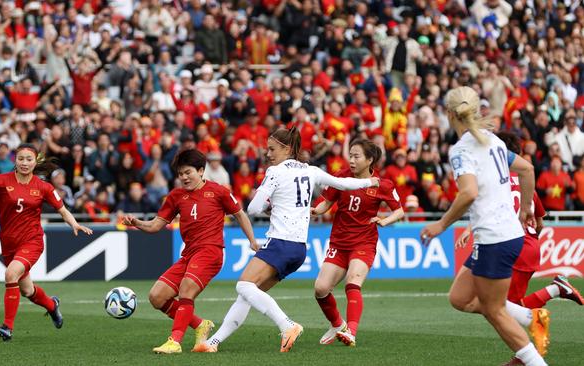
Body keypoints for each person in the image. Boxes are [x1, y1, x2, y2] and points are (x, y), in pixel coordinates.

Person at [194, 127, 379, 353]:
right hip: (298, 249)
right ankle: (213, 343)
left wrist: (269, 203)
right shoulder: (311, 170)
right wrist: (371, 183)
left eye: (272, 149)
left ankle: (287, 325)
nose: (268, 154)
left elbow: (252, 208)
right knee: (247, 294)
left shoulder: (275, 172)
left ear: (287, 149)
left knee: (243, 284)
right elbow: (345, 184)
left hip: (280, 243)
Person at [420, 87, 548, 366]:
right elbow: (527, 169)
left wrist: (440, 225)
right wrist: (526, 208)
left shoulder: (462, 150)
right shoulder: (494, 141)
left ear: (450, 114)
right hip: (503, 236)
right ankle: (530, 316)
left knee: (494, 310)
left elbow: (468, 193)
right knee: (460, 297)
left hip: (495, 239)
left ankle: (537, 363)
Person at [458, 131, 584, 364]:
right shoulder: (526, 184)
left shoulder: (494, 183)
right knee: (499, 306)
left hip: (510, 247)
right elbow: (540, 221)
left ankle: (527, 351)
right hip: (528, 246)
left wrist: (468, 230)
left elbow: (484, 209)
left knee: (500, 308)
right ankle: (553, 294)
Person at [122, 148, 257, 354]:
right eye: (180, 174)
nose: (184, 177)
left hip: (210, 252)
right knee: (157, 297)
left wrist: (253, 241)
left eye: (188, 172)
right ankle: (200, 325)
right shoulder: (175, 196)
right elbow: (156, 226)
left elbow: (240, 214)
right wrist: (137, 223)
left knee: (186, 288)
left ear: (201, 171)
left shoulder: (218, 191)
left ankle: (174, 341)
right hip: (189, 254)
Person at [0, 144, 93, 341]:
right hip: (9, 243)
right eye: (21, 159)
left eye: (29, 159)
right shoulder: (0, 180)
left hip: (32, 241)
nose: (24, 163)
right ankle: (52, 305)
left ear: (35, 162)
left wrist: (74, 224)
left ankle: (7, 327)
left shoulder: (43, 187)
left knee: (10, 274)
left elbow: (62, 209)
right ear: (15, 160)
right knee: (26, 290)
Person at [311, 138, 404, 346]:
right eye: (350, 155)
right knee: (320, 288)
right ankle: (338, 325)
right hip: (339, 242)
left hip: (364, 242)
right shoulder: (341, 177)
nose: (351, 160)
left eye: (356, 156)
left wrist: (384, 220)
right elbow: (326, 202)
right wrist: (315, 211)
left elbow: (399, 211)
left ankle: (351, 331)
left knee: (353, 281)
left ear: (370, 160)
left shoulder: (382, 184)